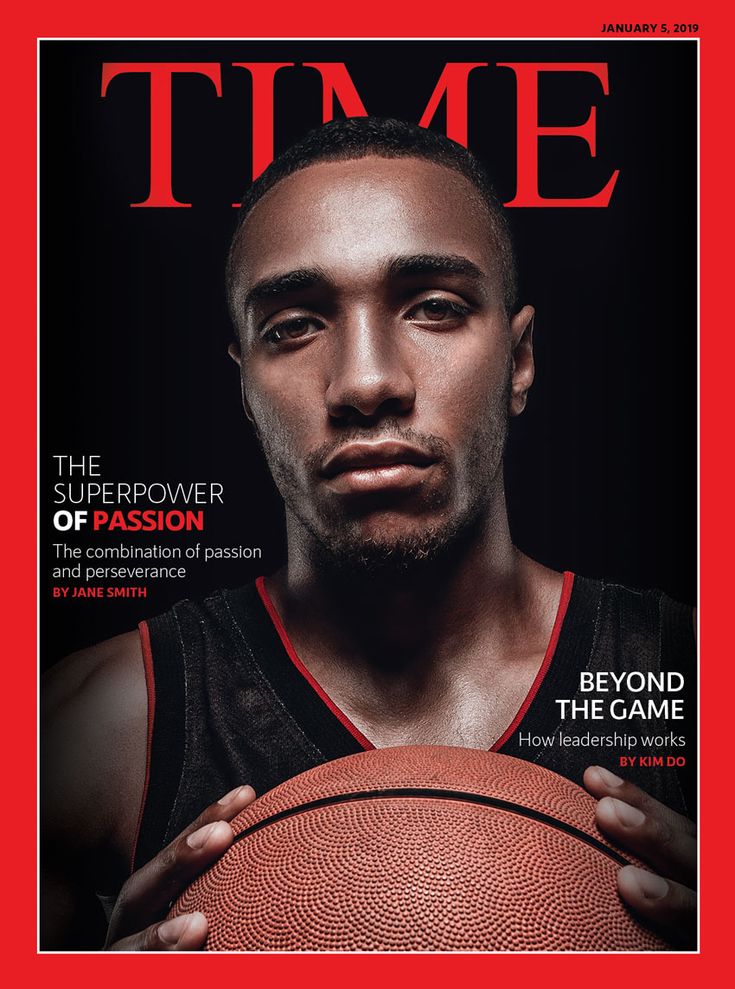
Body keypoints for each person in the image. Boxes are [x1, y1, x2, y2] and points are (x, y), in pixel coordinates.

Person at [41, 117, 696, 951]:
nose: (365, 381)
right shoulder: (91, 733)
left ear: (520, 359)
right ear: (243, 387)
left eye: (433, 308)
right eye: (292, 325)